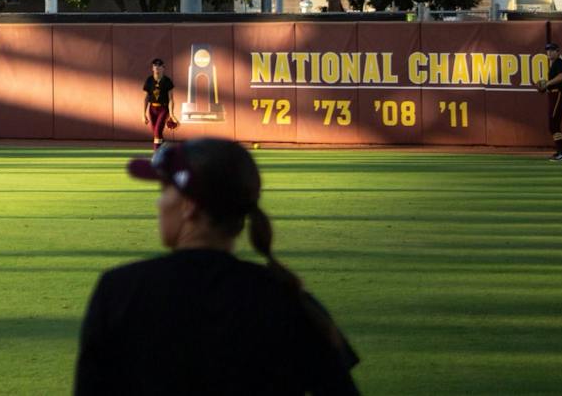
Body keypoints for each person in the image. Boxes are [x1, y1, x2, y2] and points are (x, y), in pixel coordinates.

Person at [74, 137, 360, 395]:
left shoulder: (118, 292)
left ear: (189, 206)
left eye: (164, 189)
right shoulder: (289, 298)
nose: (158, 203)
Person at [537, 40, 562, 160]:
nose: (549, 53)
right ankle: (560, 152)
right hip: (553, 95)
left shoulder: (559, 62)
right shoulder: (553, 64)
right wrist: (546, 87)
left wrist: (547, 83)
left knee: (553, 124)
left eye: (551, 50)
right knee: (553, 124)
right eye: (547, 51)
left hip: (559, 95)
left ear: (557, 52)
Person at [142, 58, 176, 149]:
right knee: (156, 134)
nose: (157, 67)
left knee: (157, 132)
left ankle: (156, 155)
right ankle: (164, 148)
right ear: (152, 68)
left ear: (163, 68)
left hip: (163, 109)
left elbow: (171, 99)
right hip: (152, 109)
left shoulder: (167, 81)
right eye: (155, 65)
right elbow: (146, 98)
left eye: (159, 65)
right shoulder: (149, 80)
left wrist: (171, 114)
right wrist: (143, 114)